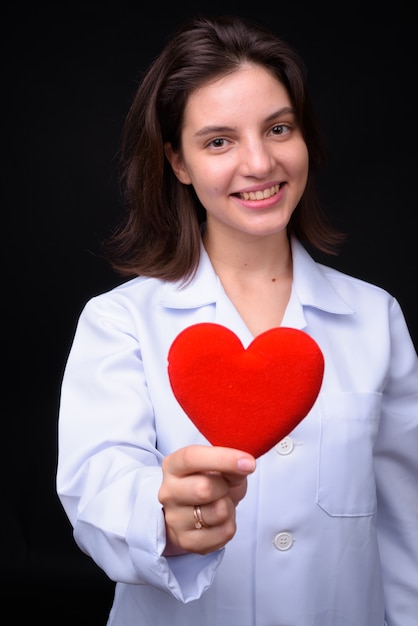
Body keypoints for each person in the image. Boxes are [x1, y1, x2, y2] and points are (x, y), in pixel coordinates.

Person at [56, 14, 418, 626]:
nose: (260, 162)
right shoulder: (119, 321)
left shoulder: (374, 317)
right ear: (177, 162)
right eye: (219, 141)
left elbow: (408, 525)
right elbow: (96, 484)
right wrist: (162, 518)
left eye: (279, 128)